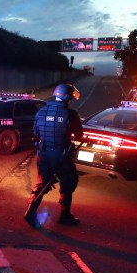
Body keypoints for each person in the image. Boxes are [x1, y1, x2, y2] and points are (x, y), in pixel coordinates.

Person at [24, 83, 84, 229]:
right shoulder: (71, 114)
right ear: (68, 97)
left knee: (42, 183)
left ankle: (30, 211)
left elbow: (36, 132)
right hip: (61, 155)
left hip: (43, 154)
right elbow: (79, 135)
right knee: (68, 182)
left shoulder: (41, 112)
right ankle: (65, 215)